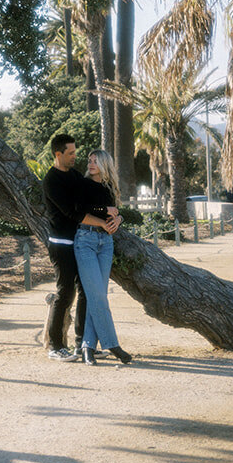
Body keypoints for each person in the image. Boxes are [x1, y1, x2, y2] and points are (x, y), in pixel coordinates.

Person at [41, 134, 119, 361]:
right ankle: (55, 346)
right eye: (71, 153)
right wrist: (103, 221)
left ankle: (81, 344)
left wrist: (116, 217)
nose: (76, 156)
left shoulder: (75, 176)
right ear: (58, 154)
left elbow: (92, 203)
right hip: (62, 244)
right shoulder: (51, 181)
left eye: (75, 152)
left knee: (85, 291)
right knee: (65, 292)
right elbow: (73, 212)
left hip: (80, 243)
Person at [72, 149, 132, 366]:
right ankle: (112, 344)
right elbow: (79, 208)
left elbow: (116, 211)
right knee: (97, 296)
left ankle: (87, 347)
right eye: (90, 160)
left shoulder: (110, 187)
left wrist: (119, 219)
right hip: (85, 241)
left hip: (106, 243)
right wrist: (104, 209)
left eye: (95, 161)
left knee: (97, 296)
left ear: (105, 164)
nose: (91, 164)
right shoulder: (83, 184)